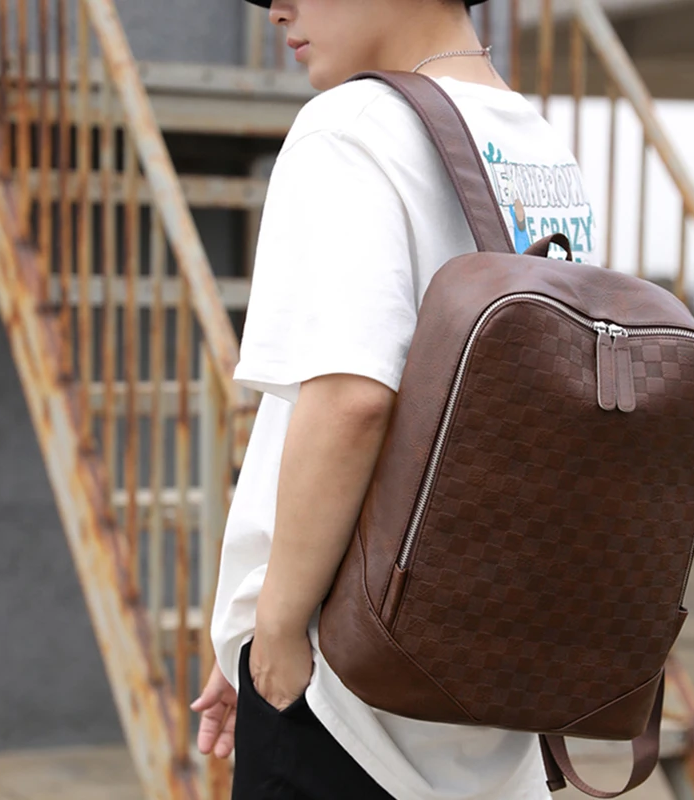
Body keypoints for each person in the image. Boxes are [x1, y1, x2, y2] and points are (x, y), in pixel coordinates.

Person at [191, 1, 598, 798]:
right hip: (487, 689)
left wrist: (274, 628)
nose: (278, 10)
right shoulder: (536, 144)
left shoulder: (349, 128)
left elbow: (352, 400)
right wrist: (252, 630)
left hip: (348, 692)